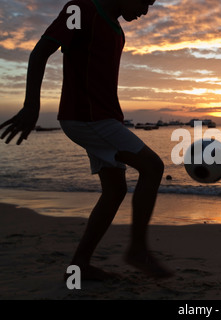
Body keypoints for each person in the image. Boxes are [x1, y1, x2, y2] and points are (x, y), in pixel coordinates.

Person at [0, 0, 173, 280]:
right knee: (152, 167)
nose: (145, 11)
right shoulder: (80, 10)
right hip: (87, 118)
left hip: (104, 120)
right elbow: (41, 51)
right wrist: (31, 105)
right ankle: (138, 251)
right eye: (144, 0)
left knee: (115, 191)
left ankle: (80, 264)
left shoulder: (118, 30)